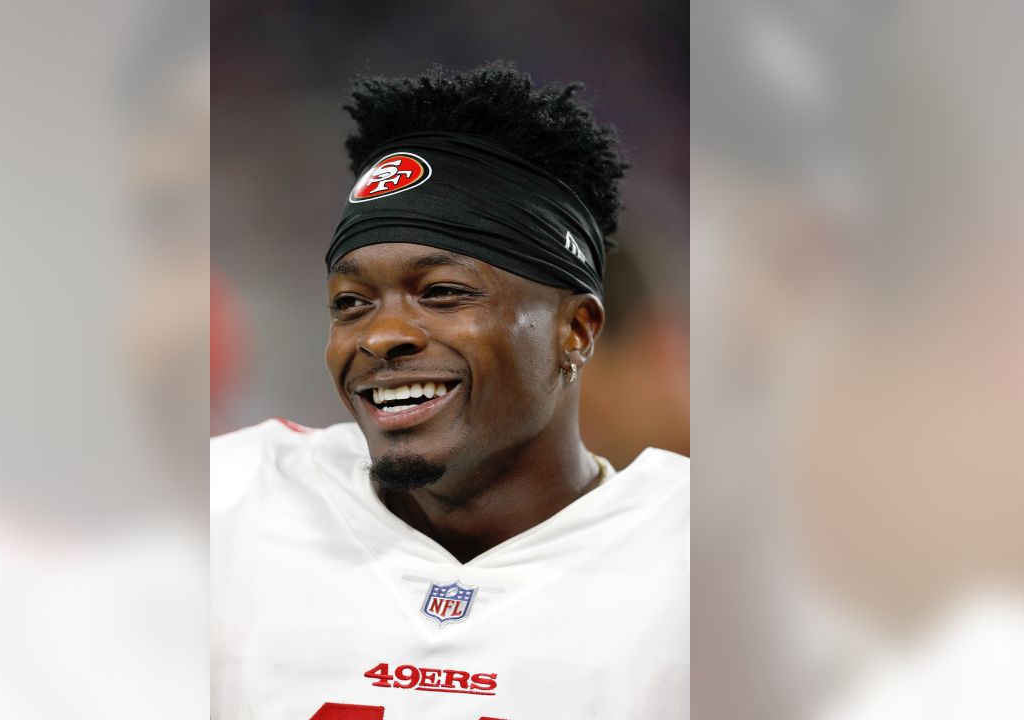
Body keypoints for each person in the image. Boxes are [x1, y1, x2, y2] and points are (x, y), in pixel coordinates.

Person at [211, 62, 689, 719]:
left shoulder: (707, 569)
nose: (380, 336)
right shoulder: (230, 506)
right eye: (351, 302)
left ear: (575, 330)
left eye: (442, 292)